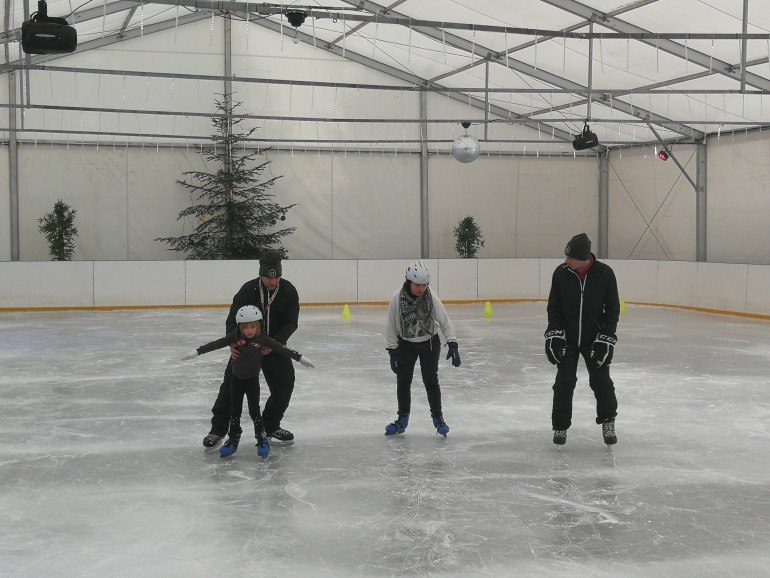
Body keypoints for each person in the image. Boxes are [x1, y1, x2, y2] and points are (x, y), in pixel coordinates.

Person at [183, 305, 314, 459]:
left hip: (252, 382)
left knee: (254, 412)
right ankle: (232, 440)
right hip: (236, 381)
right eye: (245, 327)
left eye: (253, 327)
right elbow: (216, 344)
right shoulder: (234, 338)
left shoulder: (263, 339)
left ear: (259, 326)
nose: (249, 330)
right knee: (235, 412)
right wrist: (197, 352)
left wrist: (300, 358)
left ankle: (262, 439)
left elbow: (282, 348)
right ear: (240, 327)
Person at [202, 252, 302, 449]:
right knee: (229, 388)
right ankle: (218, 430)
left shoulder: (289, 290)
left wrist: (275, 343)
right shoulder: (248, 290)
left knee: (285, 384)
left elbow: (291, 322)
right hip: (245, 348)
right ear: (261, 274)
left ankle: (270, 425)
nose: (272, 281)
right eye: (268, 277)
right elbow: (233, 319)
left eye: (276, 277)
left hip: (272, 346)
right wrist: (234, 343)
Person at [544, 233, 620, 446]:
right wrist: (554, 333)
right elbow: (554, 307)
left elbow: (612, 310)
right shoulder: (561, 273)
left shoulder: (605, 274)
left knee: (602, 382)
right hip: (567, 339)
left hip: (594, 340)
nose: (566, 261)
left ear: (583, 258)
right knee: (563, 383)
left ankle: (608, 420)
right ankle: (560, 426)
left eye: (570, 258)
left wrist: (606, 338)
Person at [384, 260, 461, 438]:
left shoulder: (431, 297)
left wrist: (452, 343)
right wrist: (392, 350)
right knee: (403, 382)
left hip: (429, 343)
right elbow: (391, 326)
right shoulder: (397, 298)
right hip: (406, 345)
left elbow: (444, 321)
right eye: (417, 285)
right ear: (409, 281)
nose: (421, 289)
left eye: (424, 285)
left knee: (431, 381)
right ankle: (402, 419)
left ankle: (438, 419)